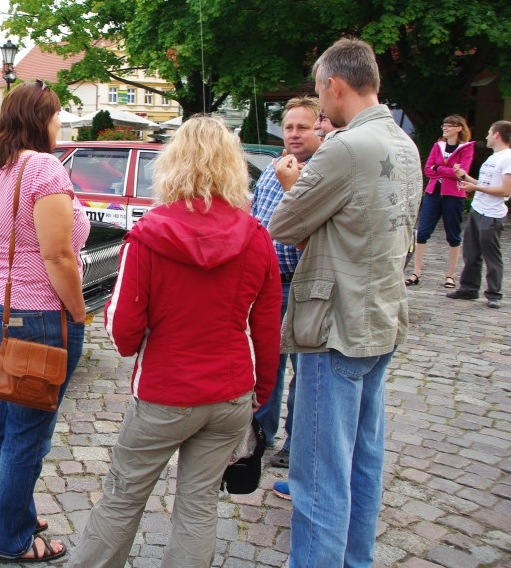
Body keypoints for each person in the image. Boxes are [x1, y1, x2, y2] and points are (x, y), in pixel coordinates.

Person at [69, 116, 281, 568]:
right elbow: (267, 330)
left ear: (172, 164)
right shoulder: (257, 237)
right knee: (199, 505)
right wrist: (258, 396)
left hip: (166, 393)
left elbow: (124, 333)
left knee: (124, 496)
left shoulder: (147, 237)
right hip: (230, 393)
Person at [268, 37, 420, 568]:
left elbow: (284, 224)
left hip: (336, 326)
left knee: (318, 470)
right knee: (363, 459)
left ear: (334, 85)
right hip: (381, 316)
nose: (320, 102)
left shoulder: (346, 146)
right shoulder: (405, 143)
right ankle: (356, 560)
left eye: (318, 91)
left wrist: (293, 181)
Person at [0, 80, 89, 564]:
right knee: (27, 430)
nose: (61, 123)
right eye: (58, 114)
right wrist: (78, 313)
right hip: (37, 312)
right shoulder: (43, 168)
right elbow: (58, 256)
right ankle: (13, 537)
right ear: (41, 119)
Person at [252, 97, 322, 470]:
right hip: (267, 285)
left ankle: (297, 444)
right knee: (267, 365)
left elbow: (312, 229)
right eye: (290, 127)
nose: (294, 134)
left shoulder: (321, 172)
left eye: (303, 127)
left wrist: (293, 184)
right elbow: (255, 218)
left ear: (319, 130)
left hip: (301, 284)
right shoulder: (273, 167)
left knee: (304, 370)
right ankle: (261, 436)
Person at [447, 120, 511, 309]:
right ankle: (469, 288)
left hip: (492, 214)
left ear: (497, 135)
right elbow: (487, 185)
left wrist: (474, 187)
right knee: (471, 252)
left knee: (491, 255)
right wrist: (466, 177)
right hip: (478, 209)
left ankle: (494, 294)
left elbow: (505, 191)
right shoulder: (493, 157)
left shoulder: (507, 157)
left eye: (489, 133)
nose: (486, 136)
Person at [406, 116, 473, 289]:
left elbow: (461, 173)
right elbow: (428, 170)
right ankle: (416, 272)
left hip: (454, 195)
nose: (445, 128)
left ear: (459, 128)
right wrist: (446, 170)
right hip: (433, 193)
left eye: (449, 125)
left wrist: (439, 169)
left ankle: (450, 275)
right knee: (422, 233)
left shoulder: (466, 148)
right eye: (444, 125)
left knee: (453, 235)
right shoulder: (438, 146)